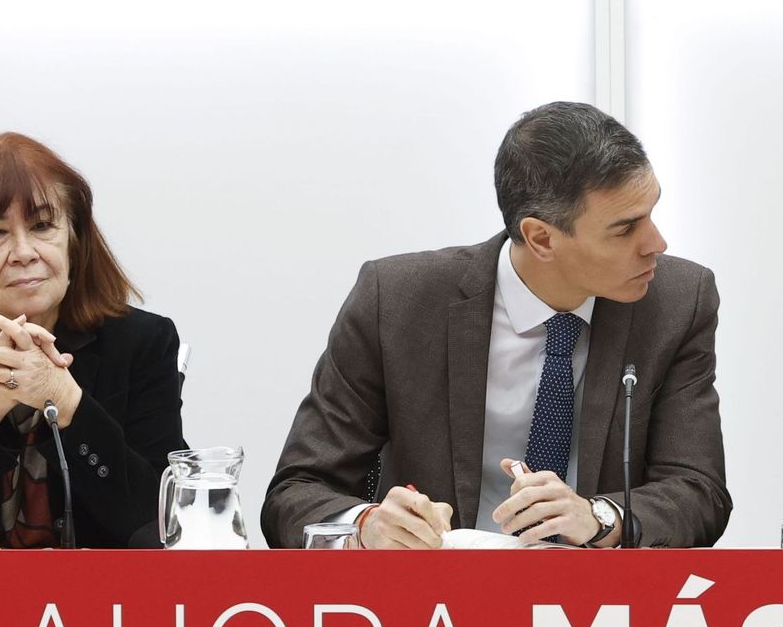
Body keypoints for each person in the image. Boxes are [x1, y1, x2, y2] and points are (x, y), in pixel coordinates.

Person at [262, 102, 730, 548]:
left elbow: (699, 492)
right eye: (625, 229)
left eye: (652, 213)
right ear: (541, 237)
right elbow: (297, 492)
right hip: (433, 601)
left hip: (601, 605)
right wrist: (367, 526)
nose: (657, 243)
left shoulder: (677, 301)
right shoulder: (397, 302)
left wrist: (600, 517)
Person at [0, 133, 186, 547]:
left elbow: (162, 524)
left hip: (100, 604)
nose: (24, 252)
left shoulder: (143, 343)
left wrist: (66, 402)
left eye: (42, 226)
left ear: (74, 240)